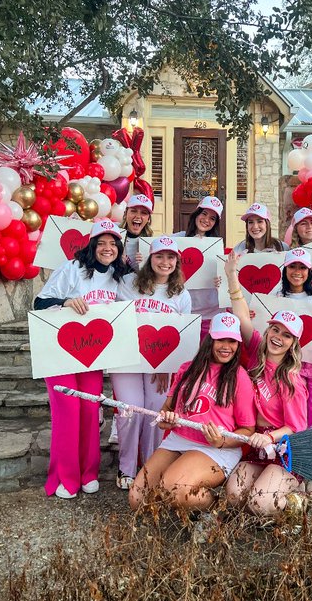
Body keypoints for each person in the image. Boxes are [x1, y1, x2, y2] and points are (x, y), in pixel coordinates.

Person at [33, 220, 131, 499]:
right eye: (101, 242)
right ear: (92, 245)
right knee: (67, 413)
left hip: (92, 354)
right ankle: (65, 477)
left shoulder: (118, 276)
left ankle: (89, 472)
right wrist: (64, 302)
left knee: (90, 412)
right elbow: (39, 302)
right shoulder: (72, 269)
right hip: (61, 352)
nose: (107, 248)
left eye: (113, 243)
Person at [129, 312, 256, 513]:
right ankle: (186, 499)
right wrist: (167, 420)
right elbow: (165, 414)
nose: (226, 346)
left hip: (216, 448)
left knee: (173, 488)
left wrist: (221, 441)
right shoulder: (187, 369)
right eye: (220, 339)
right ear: (210, 340)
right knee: (138, 500)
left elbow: (248, 430)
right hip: (179, 440)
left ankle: (217, 508)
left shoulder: (239, 377)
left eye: (232, 341)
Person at [224, 251, 309, 517]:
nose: (278, 338)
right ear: (268, 329)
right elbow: (242, 317)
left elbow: (296, 426)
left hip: (286, 449)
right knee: (235, 495)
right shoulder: (255, 355)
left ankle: (298, 499)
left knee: (260, 504)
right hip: (256, 445)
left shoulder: (291, 379)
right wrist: (231, 277)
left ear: (293, 344)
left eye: (286, 336)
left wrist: (268, 436)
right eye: (275, 330)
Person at [112, 236, 192, 489]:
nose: (165, 262)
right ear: (150, 258)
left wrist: (165, 364)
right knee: (130, 410)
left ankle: (149, 467)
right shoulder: (128, 283)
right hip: (127, 359)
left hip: (161, 364)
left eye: (171, 257)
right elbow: (117, 320)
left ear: (177, 262)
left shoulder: (181, 294)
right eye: (159, 256)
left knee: (156, 414)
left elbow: (181, 336)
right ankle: (126, 468)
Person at [269, 247, 312, 479]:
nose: (297, 272)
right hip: (289, 365)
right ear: (285, 269)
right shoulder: (276, 296)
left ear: (309, 272)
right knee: (296, 418)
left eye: (302, 268)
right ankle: (298, 470)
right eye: (293, 267)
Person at [109, 193, 154, 446]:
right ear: (126, 213)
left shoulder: (151, 244)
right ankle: (118, 420)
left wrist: (143, 264)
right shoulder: (113, 238)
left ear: (148, 217)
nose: (138, 217)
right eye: (134, 211)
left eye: (144, 213)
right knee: (119, 371)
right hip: (111, 303)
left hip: (136, 309)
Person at [173, 195, 224, 338]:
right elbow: (152, 250)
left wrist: (221, 280)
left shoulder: (216, 246)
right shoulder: (176, 239)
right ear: (196, 214)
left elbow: (225, 277)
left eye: (213, 218)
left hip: (210, 313)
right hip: (182, 311)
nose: (206, 220)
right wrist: (143, 256)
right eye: (204, 213)